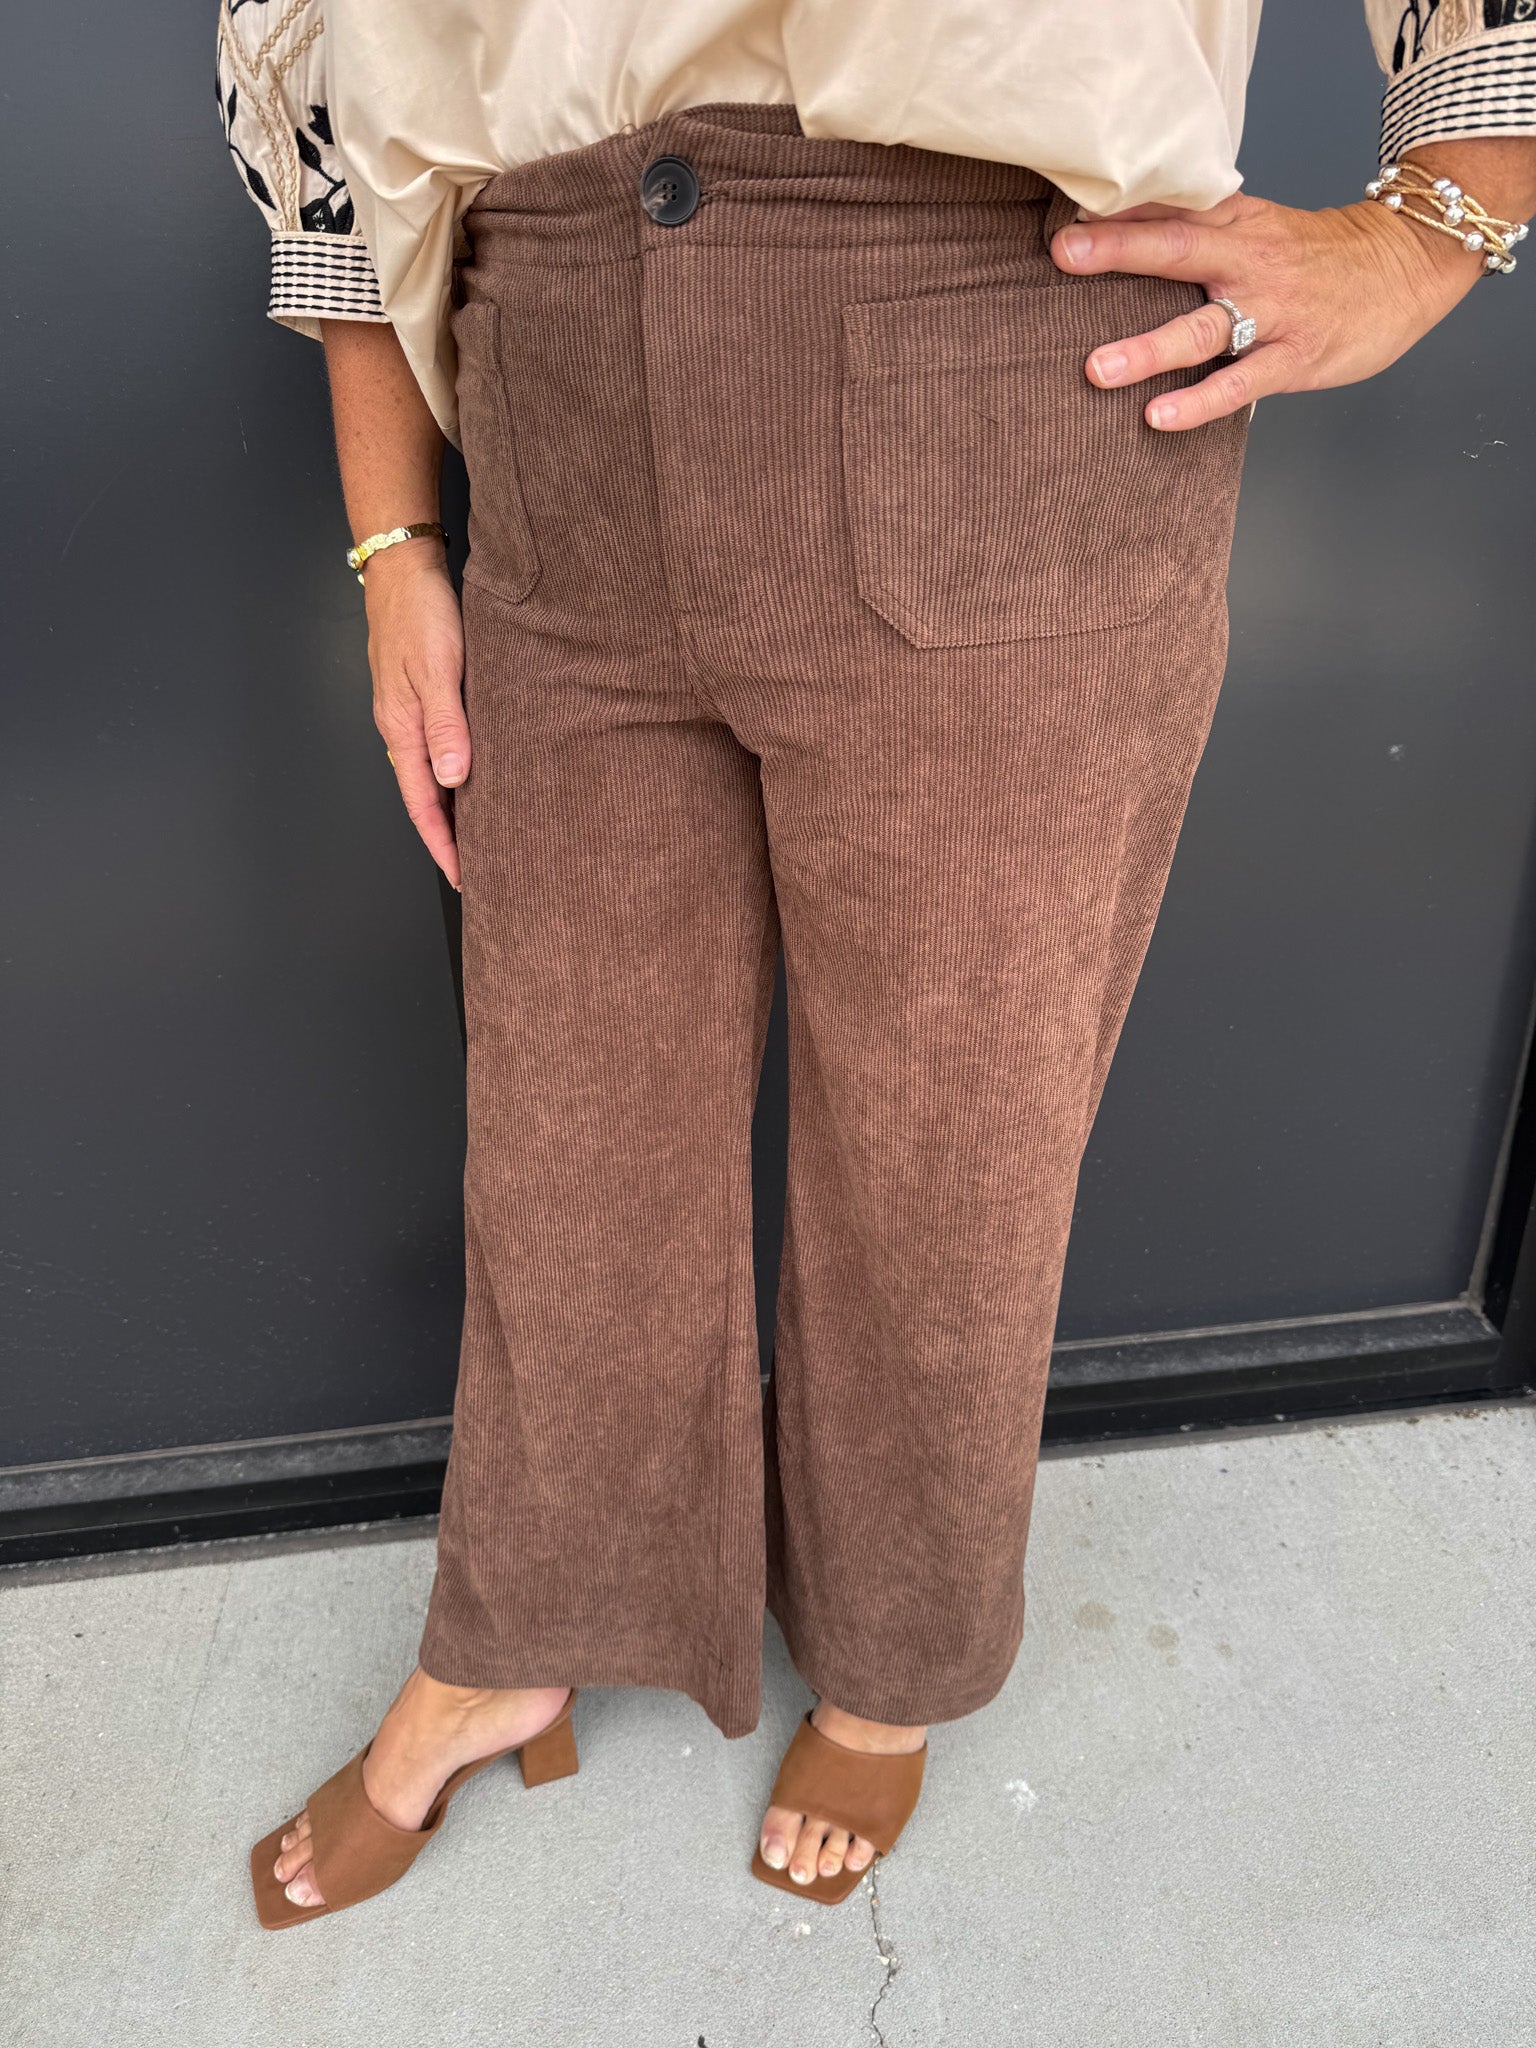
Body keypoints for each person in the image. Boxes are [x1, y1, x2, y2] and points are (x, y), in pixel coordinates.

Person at [215, 0, 1536, 1926]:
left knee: (950, 1153)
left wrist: (1435, 229)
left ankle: (894, 1665)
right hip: (557, 380)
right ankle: (523, 1630)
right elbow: (321, 79)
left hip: (999, 356)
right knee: (570, 1133)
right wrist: (393, 540)